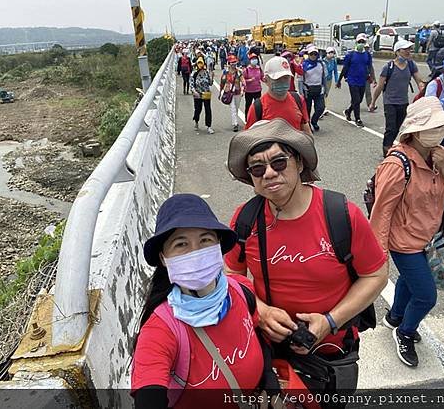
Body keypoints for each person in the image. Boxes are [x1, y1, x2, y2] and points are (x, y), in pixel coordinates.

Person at [225, 118, 388, 399]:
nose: (269, 174)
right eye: (257, 168)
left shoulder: (340, 214)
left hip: (332, 352)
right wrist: (260, 311)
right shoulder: (245, 220)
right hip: (269, 350)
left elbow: (376, 275)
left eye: (279, 162)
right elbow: (229, 275)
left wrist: (329, 321)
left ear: (299, 163)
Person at [131, 194, 264, 408]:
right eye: (181, 244)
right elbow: (149, 392)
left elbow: (259, 338)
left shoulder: (241, 289)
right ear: (164, 258)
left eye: (205, 240)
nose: (196, 252)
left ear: (218, 245)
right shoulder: (160, 329)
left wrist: (271, 384)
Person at [369, 97, 444, 368]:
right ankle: (404, 331)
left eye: (440, 126)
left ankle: (395, 316)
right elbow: (382, 213)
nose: (438, 132)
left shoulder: (440, 156)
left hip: (430, 238)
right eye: (432, 127)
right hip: (404, 242)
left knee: (409, 281)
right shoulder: (397, 164)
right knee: (426, 295)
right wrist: (378, 259)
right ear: (414, 131)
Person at [370, 39, 423, 157]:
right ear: (397, 51)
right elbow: (379, 86)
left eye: (409, 49)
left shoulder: (411, 65)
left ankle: (390, 147)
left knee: (398, 128)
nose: (408, 51)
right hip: (390, 102)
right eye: (405, 49)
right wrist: (373, 102)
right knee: (391, 128)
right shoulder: (388, 67)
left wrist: (423, 93)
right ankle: (387, 153)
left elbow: (419, 81)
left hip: (403, 102)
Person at [245, 56, 312, 135]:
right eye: (277, 79)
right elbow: (248, 138)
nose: (283, 82)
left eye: (286, 78)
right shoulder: (257, 107)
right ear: (266, 80)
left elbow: (306, 131)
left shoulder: (298, 100)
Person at [336, 33, 375, 128]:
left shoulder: (367, 55)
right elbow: (345, 68)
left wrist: (372, 78)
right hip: (352, 80)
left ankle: (348, 111)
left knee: (359, 100)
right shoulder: (350, 55)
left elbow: (369, 67)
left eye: (363, 42)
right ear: (356, 43)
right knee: (356, 99)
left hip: (362, 80)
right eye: (359, 42)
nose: (361, 43)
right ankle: (358, 118)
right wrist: (339, 80)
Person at [302, 45, 327, 132]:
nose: (313, 56)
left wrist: (326, 89)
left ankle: (314, 121)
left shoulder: (321, 64)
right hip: (307, 90)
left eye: (315, 54)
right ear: (308, 55)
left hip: (319, 89)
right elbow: (301, 79)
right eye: (311, 54)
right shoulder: (304, 64)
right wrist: (302, 91)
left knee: (321, 107)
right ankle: (308, 126)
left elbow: (324, 77)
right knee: (307, 110)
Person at [220, 55, 246, 132]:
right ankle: (235, 124)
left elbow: (243, 81)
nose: (233, 64)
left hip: (237, 92)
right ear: (229, 63)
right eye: (232, 62)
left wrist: (242, 90)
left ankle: (235, 120)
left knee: (236, 107)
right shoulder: (225, 72)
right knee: (233, 108)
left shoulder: (239, 72)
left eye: (234, 62)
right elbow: (222, 82)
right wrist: (220, 92)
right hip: (229, 93)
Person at [190, 58, 215, 134]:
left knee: (208, 109)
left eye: (201, 63)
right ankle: (196, 121)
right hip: (197, 94)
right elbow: (191, 84)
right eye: (199, 63)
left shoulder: (206, 73)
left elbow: (210, 83)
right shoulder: (194, 73)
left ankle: (208, 126)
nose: (200, 65)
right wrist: (194, 92)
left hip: (206, 94)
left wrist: (212, 77)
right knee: (198, 109)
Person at [242, 53, 264, 119]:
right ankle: (247, 118)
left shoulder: (259, 69)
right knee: (248, 105)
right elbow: (243, 80)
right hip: (249, 91)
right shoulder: (247, 70)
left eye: (255, 59)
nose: (254, 60)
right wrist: (250, 80)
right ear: (250, 61)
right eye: (253, 59)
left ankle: (259, 118)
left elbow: (262, 77)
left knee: (258, 105)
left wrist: (266, 79)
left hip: (257, 90)